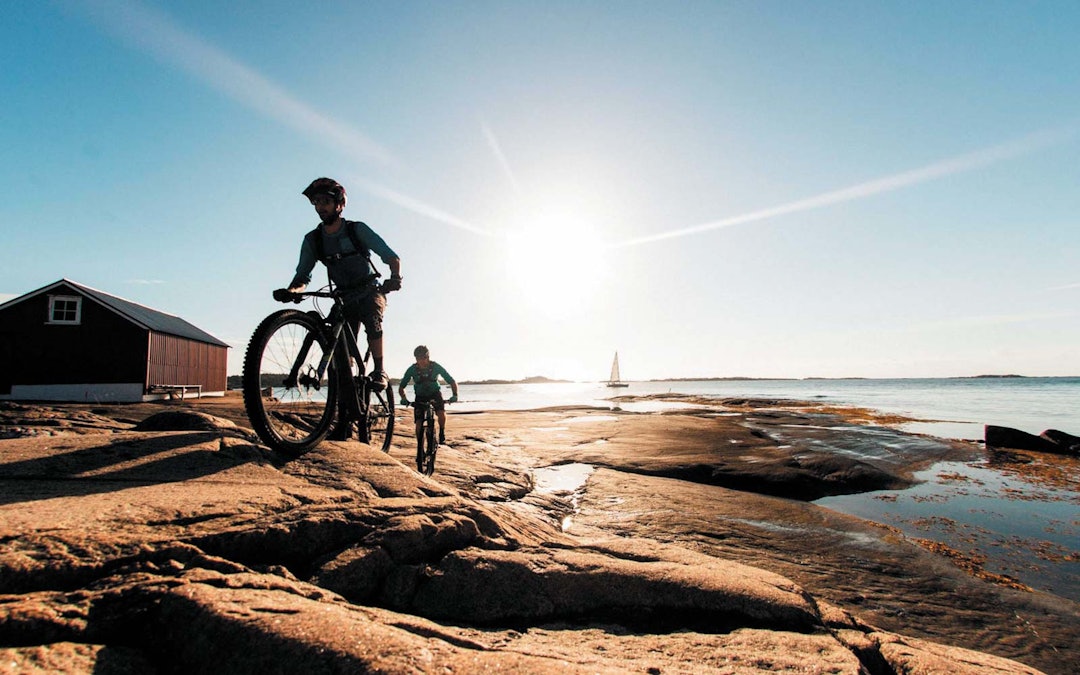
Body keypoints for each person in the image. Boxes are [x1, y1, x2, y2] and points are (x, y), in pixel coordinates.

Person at [274, 177, 401, 440]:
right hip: (342, 298)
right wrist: (292, 292)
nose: (321, 207)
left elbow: (390, 256)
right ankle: (344, 419)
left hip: (369, 291)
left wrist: (394, 277)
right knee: (340, 353)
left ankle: (379, 370)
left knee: (372, 319)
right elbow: (302, 276)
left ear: (339, 204)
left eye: (326, 202)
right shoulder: (314, 240)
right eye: (317, 202)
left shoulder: (357, 230)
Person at [398, 345, 458, 445]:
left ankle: (442, 433)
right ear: (416, 359)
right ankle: (420, 446)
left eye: (424, 358)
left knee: (440, 412)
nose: (421, 361)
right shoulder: (412, 369)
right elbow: (401, 387)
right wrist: (403, 398)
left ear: (428, 357)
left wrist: (455, 395)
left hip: (435, 394)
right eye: (418, 358)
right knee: (419, 421)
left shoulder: (436, 366)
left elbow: (451, 381)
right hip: (420, 396)